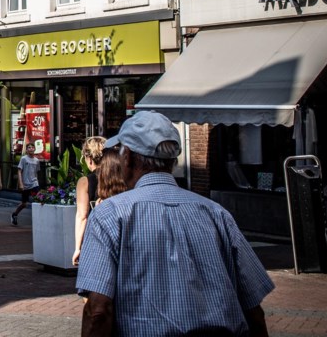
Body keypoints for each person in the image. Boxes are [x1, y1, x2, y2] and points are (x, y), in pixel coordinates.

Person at [77, 111, 274, 336]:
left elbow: (98, 311)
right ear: (172, 161)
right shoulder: (215, 213)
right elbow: (253, 308)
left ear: (128, 157)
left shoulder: (110, 214)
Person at [71, 136, 105, 266]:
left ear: (89, 158)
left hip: (96, 237)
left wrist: (78, 248)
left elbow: (82, 216)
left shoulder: (85, 181)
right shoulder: (120, 177)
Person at [11, 148, 41, 225]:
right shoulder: (23, 159)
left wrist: (37, 182)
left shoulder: (37, 160)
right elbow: (19, 171)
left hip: (34, 183)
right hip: (25, 184)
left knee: (39, 200)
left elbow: (36, 172)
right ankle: (15, 214)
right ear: (27, 150)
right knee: (24, 204)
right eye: (29, 148)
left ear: (34, 149)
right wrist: (20, 183)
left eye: (32, 147)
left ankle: (39, 220)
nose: (31, 149)